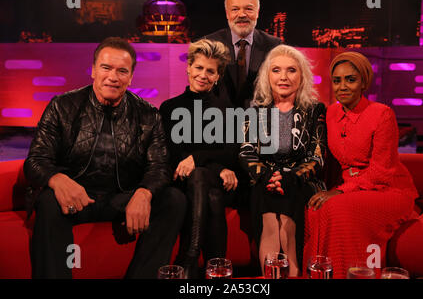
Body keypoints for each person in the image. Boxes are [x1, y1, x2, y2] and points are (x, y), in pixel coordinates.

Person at [23, 37, 186, 279]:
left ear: (131, 78)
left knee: (174, 199)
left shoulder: (148, 115)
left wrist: (144, 192)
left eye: (122, 71)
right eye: (106, 68)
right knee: (48, 201)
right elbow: (35, 159)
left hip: (122, 199)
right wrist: (57, 179)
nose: (113, 77)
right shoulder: (62, 106)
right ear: (93, 70)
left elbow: (160, 166)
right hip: (77, 199)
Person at [303, 51, 418, 278]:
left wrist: (340, 191)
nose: (342, 86)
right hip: (351, 188)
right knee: (314, 209)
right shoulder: (329, 113)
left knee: (337, 207)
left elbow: (380, 172)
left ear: (363, 82)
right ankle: (318, 274)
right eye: (337, 81)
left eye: (350, 79)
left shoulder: (382, 114)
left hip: (387, 188)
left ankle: (348, 274)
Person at [239, 45, 327, 277]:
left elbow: (316, 155)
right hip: (265, 179)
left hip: (300, 181)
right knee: (264, 194)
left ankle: (293, 271)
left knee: (290, 195)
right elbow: (246, 151)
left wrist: (291, 176)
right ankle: (271, 273)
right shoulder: (254, 110)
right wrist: (268, 176)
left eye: (291, 70)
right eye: (276, 70)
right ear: (268, 76)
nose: (284, 77)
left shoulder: (315, 110)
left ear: (302, 76)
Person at [159, 39, 240, 278]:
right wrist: (216, 165)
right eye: (199, 68)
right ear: (189, 68)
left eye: (210, 71)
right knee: (210, 192)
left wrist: (197, 157)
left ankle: (189, 257)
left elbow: (232, 152)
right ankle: (217, 268)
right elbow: (173, 153)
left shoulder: (227, 111)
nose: (203, 75)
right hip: (183, 181)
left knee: (201, 175)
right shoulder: (169, 108)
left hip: (220, 182)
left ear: (218, 76)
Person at [204, 0, 282, 108]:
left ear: (257, 12)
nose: (241, 14)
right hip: (218, 120)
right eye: (235, 9)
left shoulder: (274, 46)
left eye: (249, 9)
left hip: (260, 120)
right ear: (227, 14)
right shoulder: (209, 43)